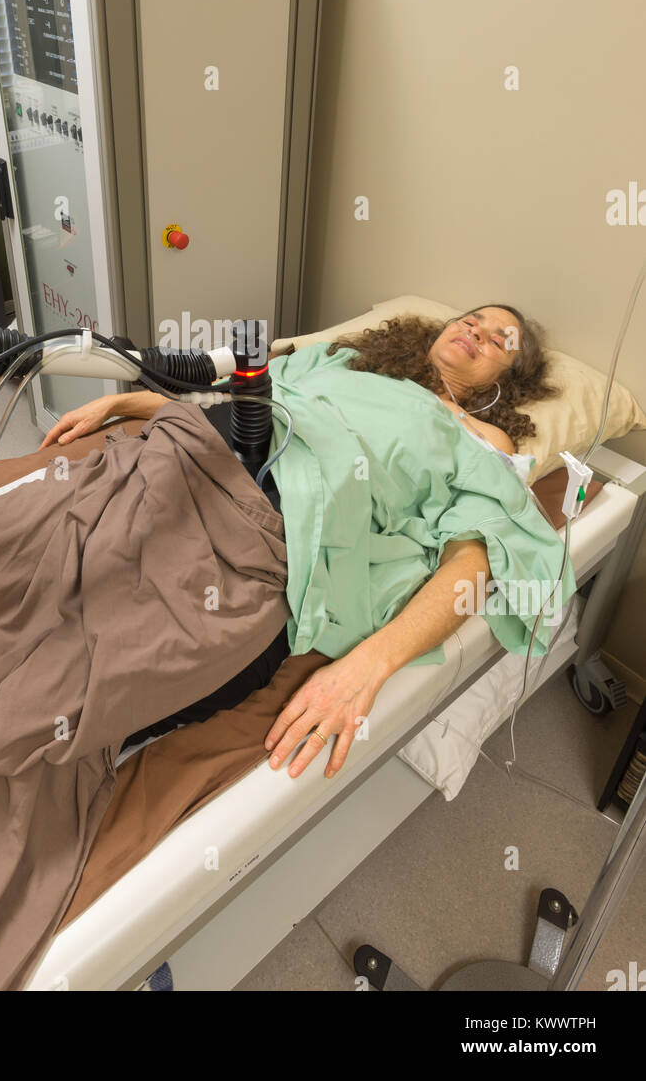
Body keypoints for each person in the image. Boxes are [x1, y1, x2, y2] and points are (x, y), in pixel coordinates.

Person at [39, 305, 559, 779]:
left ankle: (54, 723)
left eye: (498, 340)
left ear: (504, 381)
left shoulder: (486, 439)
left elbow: (474, 555)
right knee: (84, 550)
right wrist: (127, 401)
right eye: (472, 320)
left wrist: (370, 665)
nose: (476, 333)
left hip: (296, 530)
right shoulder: (348, 359)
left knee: (189, 664)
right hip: (225, 451)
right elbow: (239, 398)